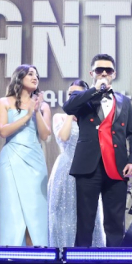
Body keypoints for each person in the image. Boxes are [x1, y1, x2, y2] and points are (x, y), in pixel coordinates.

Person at [63, 54, 132, 247]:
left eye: (108, 70)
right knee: (85, 220)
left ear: (114, 74)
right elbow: (68, 108)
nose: (104, 73)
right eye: (100, 70)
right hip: (88, 166)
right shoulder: (82, 97)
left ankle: (115, 262)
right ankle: (80, 261)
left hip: (117, 166)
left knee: (115, 222)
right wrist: (94, 90)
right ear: (92, 73)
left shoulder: (124, 101)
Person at [0, 65, 51, 247]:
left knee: (35, 212)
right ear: (19, 77)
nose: (35, 77)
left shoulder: (43, 106)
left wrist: (36, 111)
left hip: (35, 161)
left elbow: (45, 135)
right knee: (13, 211)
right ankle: (12, 254)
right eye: (30, 74)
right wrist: (27, 116)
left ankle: (38, 255)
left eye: (37, 75)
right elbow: (3, 131)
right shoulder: (4, 102)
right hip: (12, 159)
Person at [47, 80, 105, 248]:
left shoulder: (91, 118)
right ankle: (62, 253)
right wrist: (70, 114)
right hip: (65, 169)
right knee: (62, 213)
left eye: (77, 94)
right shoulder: (60, 116)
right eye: (70, 94)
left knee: (88, 213)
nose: (73, 97)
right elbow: (63, 138)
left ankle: (88, 253)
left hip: (88, 169)